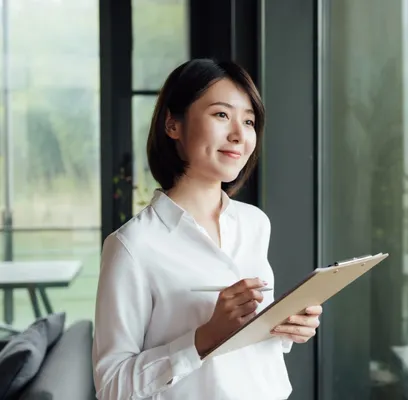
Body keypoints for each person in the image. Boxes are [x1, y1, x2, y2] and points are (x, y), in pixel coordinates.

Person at [92, 59, 322, 400]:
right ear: (173, 124)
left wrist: (286, 327)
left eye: (249, 121)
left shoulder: (254, 223)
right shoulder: (133, 246)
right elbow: (112, 385)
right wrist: (203, 338)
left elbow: (252, 336)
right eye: (221, 115)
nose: (239, 135)